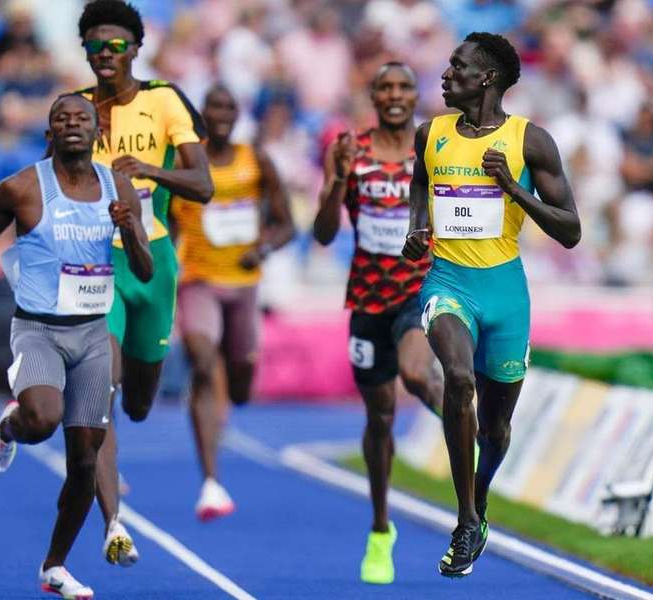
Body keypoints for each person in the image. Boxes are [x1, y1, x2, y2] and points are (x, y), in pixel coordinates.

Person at [0, 94, 152, 599]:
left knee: (85, 458)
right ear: (50, 133)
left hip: (91, 335)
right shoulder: (22, 188)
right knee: (42, 419)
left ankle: (55, 566)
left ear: (96, 133)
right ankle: (10, 423)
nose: (71, 125)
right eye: (61, 119)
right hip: (38, 330)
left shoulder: (119, 188)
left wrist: (129, 230)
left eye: (81, 119)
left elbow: (146, 269)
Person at [403, 32, 581, 578]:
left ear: (487, 78)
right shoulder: (429, 134)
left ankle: (478, 502)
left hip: (505, 292)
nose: (445, 73)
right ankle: (463, 520)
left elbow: (571, 230)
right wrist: (417, 231)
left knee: (496, 429)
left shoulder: (532, 142)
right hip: (447, 283)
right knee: (458, 379)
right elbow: (419, 185)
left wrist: (513, 188)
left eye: (457, 66)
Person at [74, 0, 214, 567]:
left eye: (115, 45)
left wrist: (150, 171)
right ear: (84, 51)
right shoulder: (73, 110)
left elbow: (202, 186)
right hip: (92, 264)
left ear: (135, 48)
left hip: (150, 261)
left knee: (136, 401)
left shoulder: (164, 100)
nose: (105, 55)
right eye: (94, 46)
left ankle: (126, 410)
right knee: (99, 387)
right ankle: (114, 525)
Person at [313, 62, 443, 585]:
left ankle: (470, 429)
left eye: (403, 87)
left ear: (415, 95)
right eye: (385, 87)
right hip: (367, 299)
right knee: (380, 417)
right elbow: (323, 234)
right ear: (372, 95)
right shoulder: (351, 151)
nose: (394, 94)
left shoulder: (431, 151)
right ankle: (381, 526)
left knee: (416, 374)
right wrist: (339, 178)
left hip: (419, 291)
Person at [170, 84, 295, 521]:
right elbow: (166, 223)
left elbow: (286, 224)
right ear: (202, 115)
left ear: (237, 112)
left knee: (239, 379)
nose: (221, 113)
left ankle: (233, 384)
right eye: (213, 107)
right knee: (203, 362)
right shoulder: (187, 160)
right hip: (198, 280)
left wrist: (262, 247)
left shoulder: (255, 160)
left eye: (228, 106)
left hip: (243, 284)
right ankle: (210, 482)